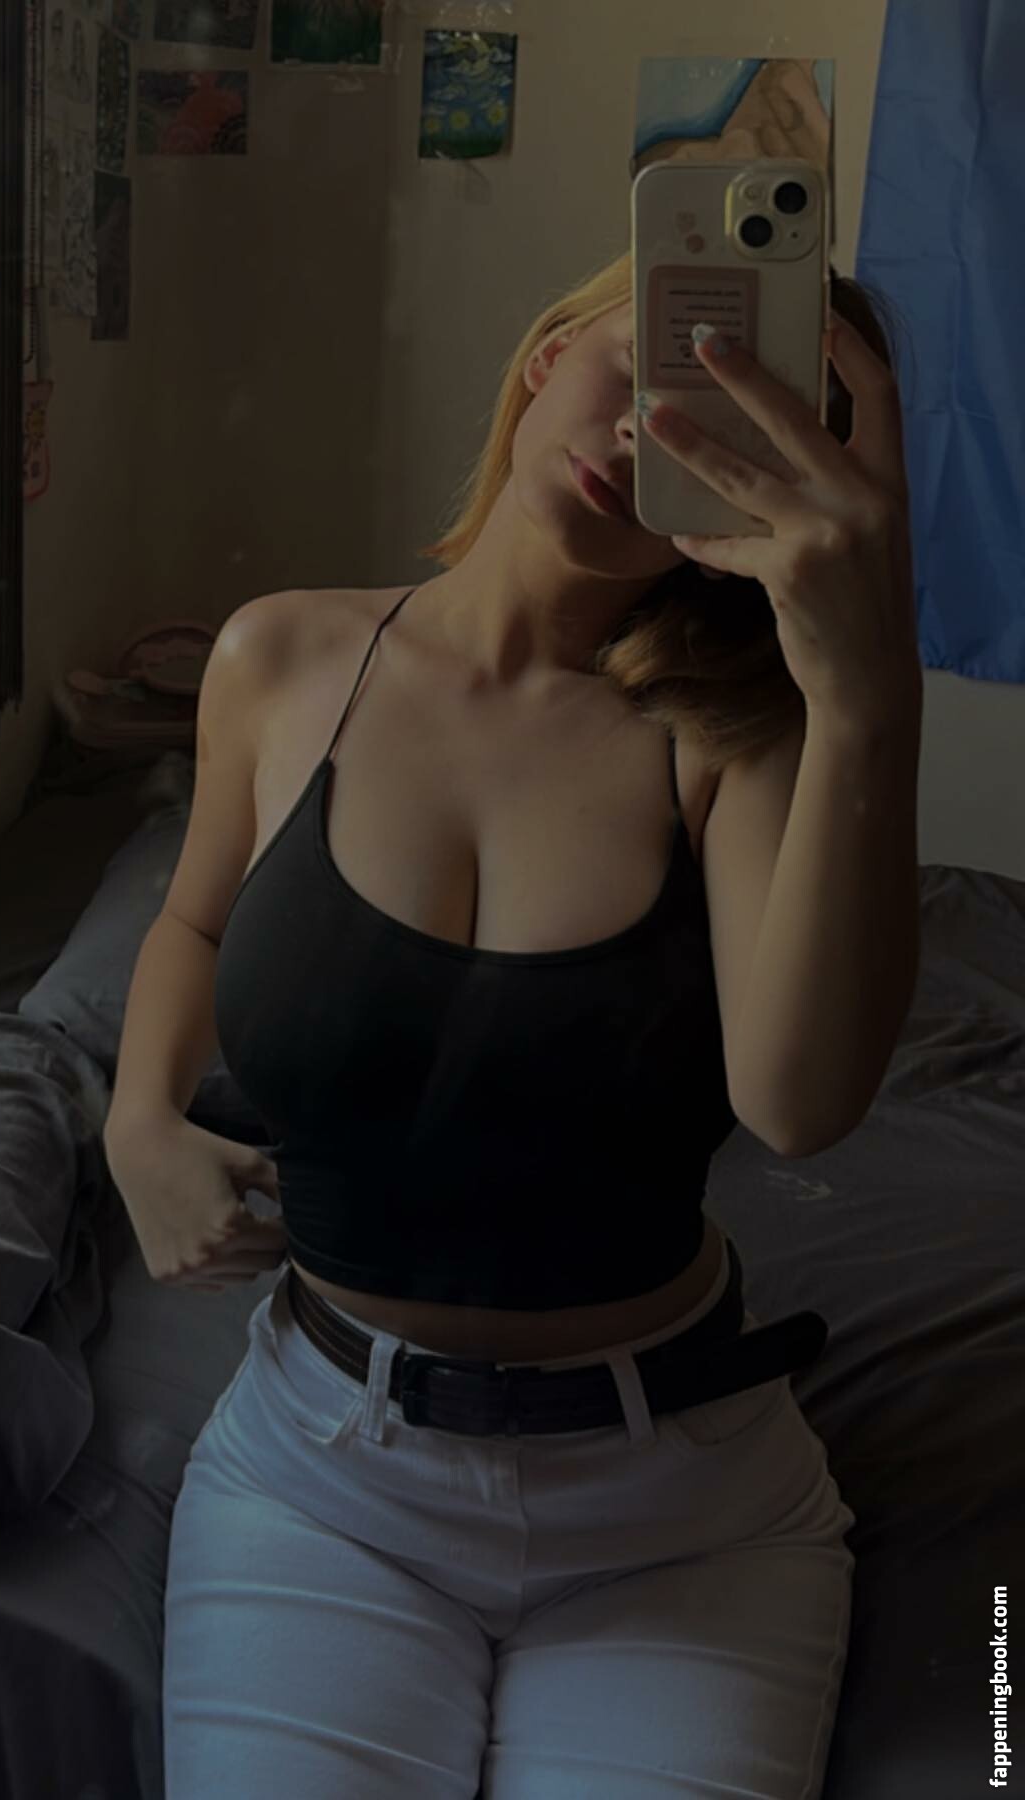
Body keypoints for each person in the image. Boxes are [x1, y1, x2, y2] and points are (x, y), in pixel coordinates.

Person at [103, 244, 923, 1797]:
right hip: (320, 1479)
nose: (654, 433)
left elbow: (801, 1104)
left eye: (736, 436)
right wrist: (138, 1119)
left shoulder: (739, 739)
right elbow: (193, 919)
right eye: (650, 369)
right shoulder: (279, 656)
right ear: (550, 354)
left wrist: (871, 687)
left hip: (682, 1515)